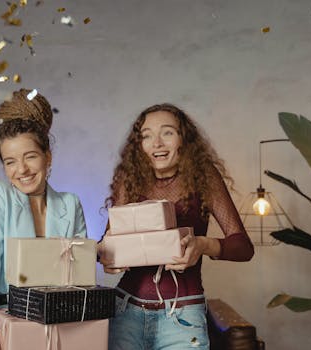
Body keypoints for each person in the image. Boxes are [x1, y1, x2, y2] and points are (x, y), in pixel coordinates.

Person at [99, 103, 254, 350]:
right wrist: (107, 255)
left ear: (184, 139)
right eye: (146, 136)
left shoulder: (204, 177)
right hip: (125, 311)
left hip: (183, 317)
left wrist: (203, 245)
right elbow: (106, 242)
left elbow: (243, 247)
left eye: (167, 132)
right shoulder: (129, 179)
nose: (157, 143)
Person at [0, 89, 88, 350]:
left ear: (48, 157)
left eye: (30, 157)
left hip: (59, 330)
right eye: (10, 162)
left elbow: (79, 277)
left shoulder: (70, 203)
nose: (21, 170)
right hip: (2, 331)